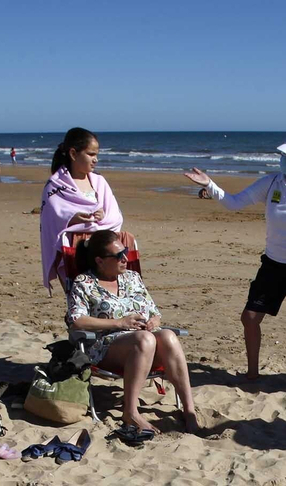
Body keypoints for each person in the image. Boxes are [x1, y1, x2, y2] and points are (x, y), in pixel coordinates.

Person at [184, 131, 286, 394]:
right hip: (274, 264)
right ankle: (252, 372)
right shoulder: (271, 183)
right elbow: (234, 203)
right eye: (283, 155)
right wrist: (210, 184)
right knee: (250, 317)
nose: (284, 160)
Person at [66, 230, 199, 443]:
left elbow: (154, 311)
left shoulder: (132, 278)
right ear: (100, 260)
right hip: (106, 346)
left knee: (168, 336)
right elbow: (77, 320)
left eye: (125, 252)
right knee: (144, 340)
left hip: (145, 341)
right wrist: (119, 323)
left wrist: (154, 321)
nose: (126, 259)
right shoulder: (85, 283)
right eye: (118, 256)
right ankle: (131, 412)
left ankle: (189, 410)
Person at [41, 128, 128, 292]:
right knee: (80, 298)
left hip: (102, 249)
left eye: (96, 155)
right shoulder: (55, 185)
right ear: (73, 154)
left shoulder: (99, 181)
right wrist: (73, 217)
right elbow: (51, 217)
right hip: (73, 250)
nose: (95, 160)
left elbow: (115, 216)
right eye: (91, 154)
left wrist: (101, 216)